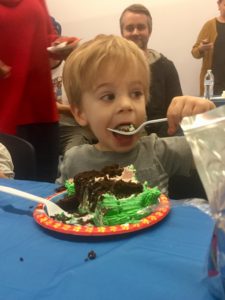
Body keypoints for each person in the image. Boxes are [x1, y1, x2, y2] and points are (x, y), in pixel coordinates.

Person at [57, 34, 215, 196]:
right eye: (108, 96)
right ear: (80, 113)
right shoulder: (74, 161)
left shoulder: (157, 151)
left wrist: (208, 121)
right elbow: (56, 201)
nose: (126, 105)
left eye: (136, 93)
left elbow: (216, 153)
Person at [0, 0, 77, 182]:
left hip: (43, 109)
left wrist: (61, 45)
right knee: (13, 188)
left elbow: (47, 38)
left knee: (46, 183)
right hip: (7, 111)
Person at [119, 4, 183, 137]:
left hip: (162, 143)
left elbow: (176, 112)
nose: (135, 32)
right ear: (122, 33)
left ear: (149, 31)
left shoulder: (166, 67)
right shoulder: (111, 69)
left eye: (141, 27)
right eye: (130, 28)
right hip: (124, 141)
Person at [50, 17, 97, 156]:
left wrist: (59, 108)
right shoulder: (33, 71)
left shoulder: (74, 67)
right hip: (46, 127)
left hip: (74, 127)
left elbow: (90, 110)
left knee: (74, 154)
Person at [191, 0, 225, 96]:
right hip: (214, 85)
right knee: (213, 110)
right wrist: (201, 49)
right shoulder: (210, 25)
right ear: (219, 5)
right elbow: (194, 52)